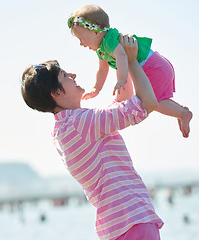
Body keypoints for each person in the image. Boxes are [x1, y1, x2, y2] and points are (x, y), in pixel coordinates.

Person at [21, 35, 163, 240]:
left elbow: (120, 106)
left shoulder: (65, 128)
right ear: (56, 93)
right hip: (132, 219)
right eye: (65, 76)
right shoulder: (80, 123)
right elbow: (146, 104)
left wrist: (119, 61)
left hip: (117, 225)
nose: (73, 75)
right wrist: (131, 61)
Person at [67, 5, 193, 138]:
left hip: (154, 68)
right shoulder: (102, 48)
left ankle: (182, 113)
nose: (81, 43)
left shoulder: (110, 41)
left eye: (81, 38)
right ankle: (181, 113)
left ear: (96, 32)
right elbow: (102, 69)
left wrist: (121, 79)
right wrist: (96, 88)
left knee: (149, 102)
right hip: (155, 66)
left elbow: (122, 56)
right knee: (155, 100)